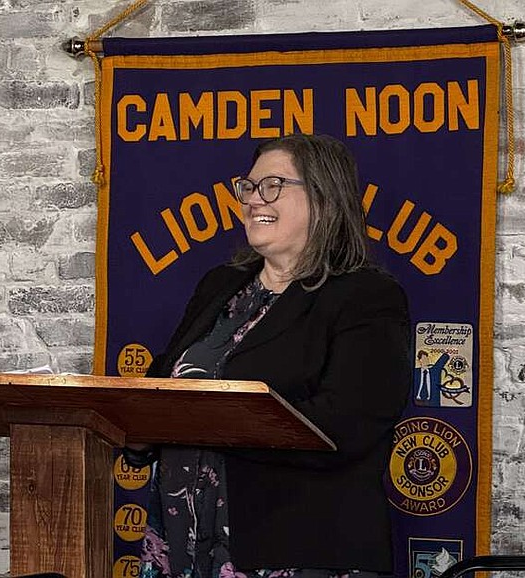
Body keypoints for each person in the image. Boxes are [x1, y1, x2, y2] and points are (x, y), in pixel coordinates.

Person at [125, 134, 411, 578]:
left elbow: (348, 424)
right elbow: (167, 377)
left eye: (273, 185)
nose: (254, 199)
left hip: (296, 550)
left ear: (323, 197)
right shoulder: (221, 284)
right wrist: (136, 429)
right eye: (249, 186)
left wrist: (213, 423)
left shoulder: (366, 296)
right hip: (182, 547)